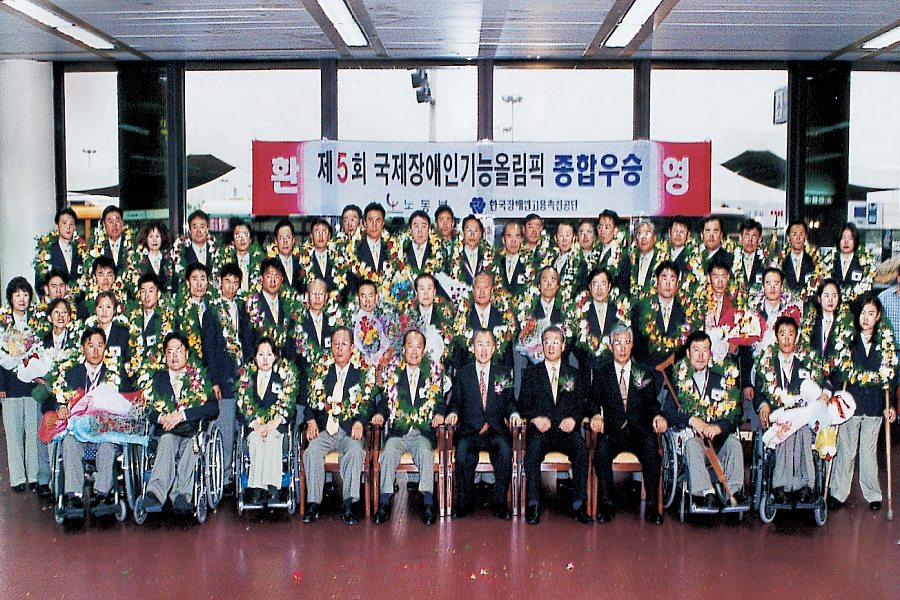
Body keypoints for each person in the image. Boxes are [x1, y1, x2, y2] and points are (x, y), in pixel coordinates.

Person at [301, 327, 380, 525]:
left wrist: (361, 423)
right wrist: (311, 421)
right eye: (335, 344)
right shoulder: (321, 371)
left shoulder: (361, 373)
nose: (339, 348)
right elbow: (310, 402)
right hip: (325, 429)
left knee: (354, 452)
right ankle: (314, 503)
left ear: (352, 347)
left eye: (344, 344)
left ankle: (348, 503)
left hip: (349, 431)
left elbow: (369, 403)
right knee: (311, 451)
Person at [589, 324, 667, 524]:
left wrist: (657, 416)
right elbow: (592, 401)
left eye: (626, 343)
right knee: (601, 453)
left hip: (639, 431)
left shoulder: (644, 372)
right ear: (610, 346)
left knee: (652, 453)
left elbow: (652, 403)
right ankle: (607, 504)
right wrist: (596, 415)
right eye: (617, 343)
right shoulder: (601, 372)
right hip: (613, 431)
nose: (622, 348)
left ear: (632, 345)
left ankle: (651, 506)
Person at [662, 331, 746, 509]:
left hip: (718, 443)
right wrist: (691, 419)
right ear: (688, 353)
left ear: (710, 353)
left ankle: (735, 491)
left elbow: (736, 414)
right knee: (692, 443)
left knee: (734, 443)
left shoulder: (722, 380)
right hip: (694, 445)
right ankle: (707, 493)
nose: (700, 356)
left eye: (705, 350)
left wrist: (718, 427)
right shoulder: (678, 380)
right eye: (696, 350)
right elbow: (668, 412)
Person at [829, 295, 898, 511]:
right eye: (863, 313)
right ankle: (838, 492)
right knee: (846, 448)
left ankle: (872, 493)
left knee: (868, 451)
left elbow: (892, 378)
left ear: (878, 317)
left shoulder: (885, 343)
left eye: (871, 313)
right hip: (852, 402)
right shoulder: (848, 340)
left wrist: (892, 406)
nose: (866, 318)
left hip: (875, 403)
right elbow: (839, 372)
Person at [372, 330, 447, 525]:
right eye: (410, 346)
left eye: (419, 347)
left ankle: (429, 503)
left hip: (422, 431)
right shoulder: (392, 372)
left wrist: (440, 414)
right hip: (398, 431)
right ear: (404, 349)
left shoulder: (433, 373)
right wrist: (380, 414)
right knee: (387, 453)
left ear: (423, 351)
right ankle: (384, 502)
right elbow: (385, 402)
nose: (414, 351)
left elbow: (440, 402)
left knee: (425, 453)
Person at [519, 326, 592, 524]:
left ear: (563, 345)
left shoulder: (573, 374)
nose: (551, 346)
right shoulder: (531, 373)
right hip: (541, 433)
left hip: (565, 431)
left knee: (581, 450)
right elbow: (523, 405)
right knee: (532, 452)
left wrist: (574, 419)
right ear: (542, 346)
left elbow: (581, 405)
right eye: (547, 342)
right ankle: (533, 504)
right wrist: (535, 418)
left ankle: (578, 505)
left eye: (555, 342)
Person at [754, 316, 830, 505]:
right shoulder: (767, 362)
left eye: (791, 335)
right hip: (778, 415)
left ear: (796, 337)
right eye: (782, 334)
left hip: (803, 416)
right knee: (785, 428)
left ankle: (805, 486)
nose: (787, 339)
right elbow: (758, 391)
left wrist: (826, 394)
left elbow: (825, 382)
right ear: (776, 337)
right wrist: (763, 403)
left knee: (802, 430)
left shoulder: (807, 362)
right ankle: (781, 486)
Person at [42, 327, 119, 514]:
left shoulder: (113, 375)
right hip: (77, 432)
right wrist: (60, 407)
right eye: (90, 345)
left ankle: (102, 493)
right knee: (68, 442)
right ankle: (73, 495)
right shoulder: (70, 373)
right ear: (83, 347)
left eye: (100, 346)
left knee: (108, 444)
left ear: (105, 348)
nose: (95, 351)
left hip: (102, 431)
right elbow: (49, 401)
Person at [445, 328, 520, 520]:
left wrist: (513, 414)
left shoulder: (503, 374)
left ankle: (501, 504)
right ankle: (465, 502)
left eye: (488, 345)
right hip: (470, 430)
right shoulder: (463, 374)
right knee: (462, 454)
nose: (484, 350)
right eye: (479, 344)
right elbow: (455, 403)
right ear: (472, 348)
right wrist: (453, 413)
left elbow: (510, 402)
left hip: (495, 430)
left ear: (494, 348)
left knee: (504, 452)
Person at [143, 332, 219, 514]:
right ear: (165, 357)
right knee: (168, 440)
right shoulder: (158, 379)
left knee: (192, 444)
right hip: (167, 432)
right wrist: (162, 418)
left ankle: (182, 494)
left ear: (186, 354)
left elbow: (213, 409)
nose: (174, 356)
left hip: (191, 430)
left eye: (179, 351)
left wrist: (183, 415)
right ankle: (155, 493)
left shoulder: (199, 377)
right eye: (170, 352)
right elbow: (148, 409)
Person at [202, 262, 250, 487]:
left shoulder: (244, 310)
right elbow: (208, 349)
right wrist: (213, 381)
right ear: (219, 283)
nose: (231, 286)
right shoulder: (212, 312)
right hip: (222, 378)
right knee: (225, 428)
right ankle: (222, 477)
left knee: (243, 426)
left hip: (243, 378)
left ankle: (241, 475)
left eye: (235, 282)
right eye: (227, 281)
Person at [236, 337, 297, 505]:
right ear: (254, 358)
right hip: (255, 428)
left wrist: (274, 423)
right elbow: (240, 409)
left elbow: (290, 408)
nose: (264, 359)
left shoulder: (284, 378)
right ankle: (258, 488)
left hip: (276, 428)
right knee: (256, 439)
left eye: (268, 354)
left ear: (275, 357)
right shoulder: (246, 379)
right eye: (260, 354)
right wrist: (255, 425)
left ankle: (272, 487)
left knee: (272, 438)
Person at [0, 277, 40, 491]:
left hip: (32, 384)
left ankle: (33, 476)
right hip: (10, 384)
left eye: (25, 294)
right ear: (11, 298)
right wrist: (1, 386)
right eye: (17, 294)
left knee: (32, 431)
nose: (22, 299)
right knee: (13, 432)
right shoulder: (3, 323)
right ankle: (17, 478)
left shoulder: (36, 322)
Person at [35, 207, 83, 295]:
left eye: (71, 224)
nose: (68, 227)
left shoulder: (80, 252)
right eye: (64, 223)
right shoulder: (48, 252)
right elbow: (39, 284)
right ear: (57, 226)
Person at [831, 222, 874, 304]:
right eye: (843, 238)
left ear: (855, 240)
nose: (846, 242)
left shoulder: (863, 263)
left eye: (850, 238)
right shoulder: (831, 263)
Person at [220, 218, 264, 295]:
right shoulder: (225, 261)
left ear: (250, 239)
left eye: (245, 234)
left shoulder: (260, 261)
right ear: (232, 241)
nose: (242, 239)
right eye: (238, 236)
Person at [131, 220, 174, 294]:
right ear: (145, 239)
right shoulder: (139, 261)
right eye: (151, 236)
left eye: (157, 236)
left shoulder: (169, 260)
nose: (154, 240)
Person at [780, 219, 820, 298]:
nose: (798, 238)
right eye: (795, 234)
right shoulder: (781, 262)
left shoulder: (814, 262)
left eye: (801, 234)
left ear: (805, 237)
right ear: (788, 238)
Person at [595, 209, 630, 295]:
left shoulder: (621, 255)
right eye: (600, 227)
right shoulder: (596, 252)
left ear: (615, 230)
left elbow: (624, 287)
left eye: (607, 227)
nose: (602, 231)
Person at [450, 214, 491, 286]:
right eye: (469, 230)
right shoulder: (453, 256)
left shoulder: (488, 256)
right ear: (463, 233)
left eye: (475, 230)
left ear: (480, 234)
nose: (472, 234)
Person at [493, 221, 531, 297]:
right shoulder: (495, 263)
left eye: (517, 237)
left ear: (521, 239)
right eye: (510, 237)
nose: (513, 241)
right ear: (503, 239)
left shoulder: (528, 264)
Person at [76, 256, 118, 320]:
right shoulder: (84, 306)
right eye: (101, 275)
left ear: (114, 276)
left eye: (109, 275)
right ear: (94, 277)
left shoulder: (120, 303)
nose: (105, 279)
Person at [631, 219, 661, 299]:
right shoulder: (630, 261)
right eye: (640, 234)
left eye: (647, 234)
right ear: (636, 240)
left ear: (654, 238)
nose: (643, 238)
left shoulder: (661, 262)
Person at [272, 219, 303, 291]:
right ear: (276, 242)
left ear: (293, 240)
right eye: (281, 238)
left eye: (288, 237)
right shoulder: (271, 264)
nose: (285, 242)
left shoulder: (301, 263)